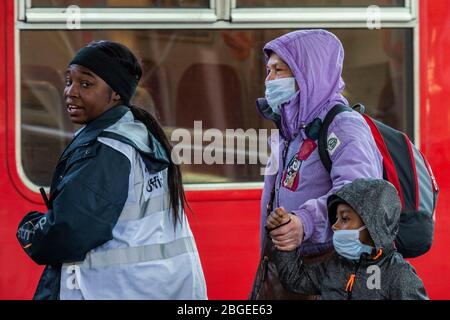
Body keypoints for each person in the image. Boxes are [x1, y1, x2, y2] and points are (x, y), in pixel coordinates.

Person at [16, 40, 207, 300]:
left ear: (115, 93)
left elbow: (69, 234)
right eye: (68, 81)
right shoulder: (138, 134)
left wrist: (31, 229)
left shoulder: (106, 149)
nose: (70, 92)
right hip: (153, 287)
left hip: (111, 290)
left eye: (86, 84)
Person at [255, 29, 384, 298]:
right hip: (287, 272)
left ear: (307, 73)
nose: (269, 80)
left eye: (279, 70)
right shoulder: (290, 130)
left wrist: (305, 223)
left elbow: (359, 196)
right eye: (268, 70)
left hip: (327, 278)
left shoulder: (344, 127)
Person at [267, 178, 429, 300]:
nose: (335, 226)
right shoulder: (336, 265)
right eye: (336, 219)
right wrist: (285, 241)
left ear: (372, 223)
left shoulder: (398, 275)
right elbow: (295, 280)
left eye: (344, 219)